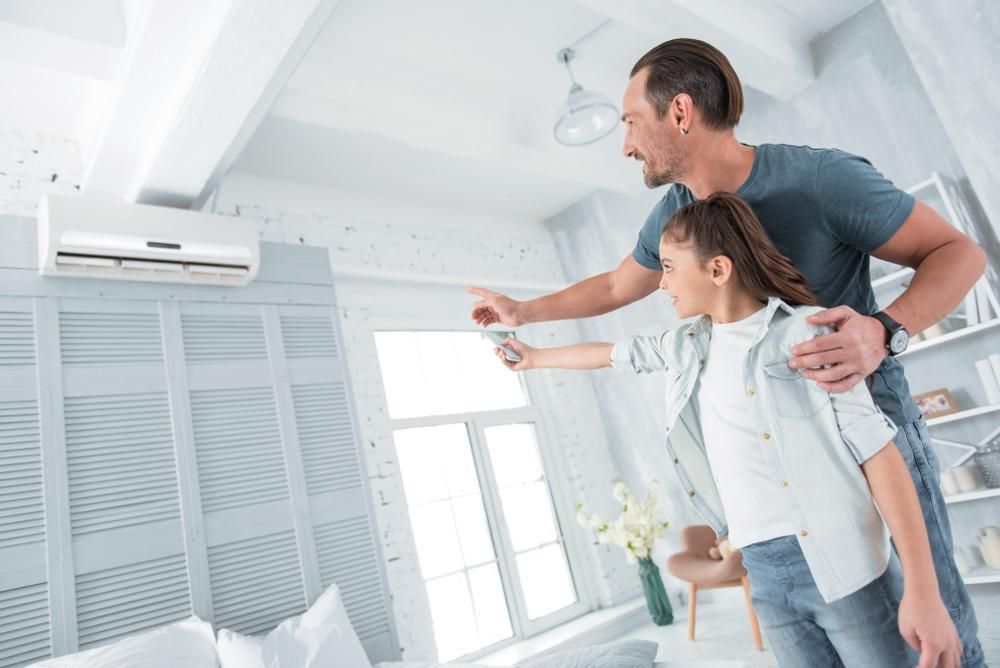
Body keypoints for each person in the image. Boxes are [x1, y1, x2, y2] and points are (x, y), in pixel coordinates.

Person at [469, 38, 986, 666]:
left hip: (868, 435)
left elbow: (961, 253)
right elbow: (612, 288)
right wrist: (523, 312)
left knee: (939, 628)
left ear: (680, 113)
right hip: (784, 478)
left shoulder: (820, 178)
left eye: (632, 122)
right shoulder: (676, 218)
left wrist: (884, 329)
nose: (625, 143)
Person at [492, 192, 962, 667]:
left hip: (846, 565)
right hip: (764, 572)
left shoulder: (805, 335)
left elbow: (880, 456)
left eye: (671, 267)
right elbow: (609, 353)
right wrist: (534, 359)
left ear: (717, 270)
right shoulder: (684, 348)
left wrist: (923, 591)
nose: (661, 284)